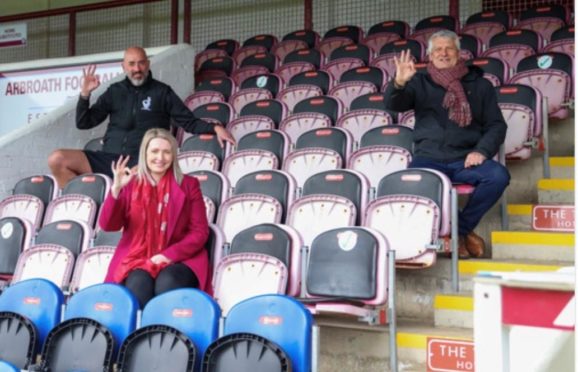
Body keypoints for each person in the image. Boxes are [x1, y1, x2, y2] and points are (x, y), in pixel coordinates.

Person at [385, 30, 510, 259]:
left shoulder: (480, 85)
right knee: (409, 185)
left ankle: (457, 232)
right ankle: (457, 236)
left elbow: (496, 125)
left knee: (498, 176)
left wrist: (481, 151)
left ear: (458, 52)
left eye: (449, 48)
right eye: (438, 49)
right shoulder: (419, 81)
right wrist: (400, 82)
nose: (444, 53)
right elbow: (394, 105)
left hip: (465, 158)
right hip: (428, 157)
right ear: (431, 56)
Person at [48, 46, 234, 189]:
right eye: (131, 64)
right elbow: (84, 122)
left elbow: (188, 121)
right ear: (123, 67)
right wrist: (85, 94)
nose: (137, 68)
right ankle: (84, 204)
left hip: (141, 161)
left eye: (141, 63)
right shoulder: (114, 91)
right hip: (109, 159)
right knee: (57, 159)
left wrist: (214, 127)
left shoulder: (162, 92)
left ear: (148, 64)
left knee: (136, 177)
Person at [98, 128, 210, 308]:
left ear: (173, 155)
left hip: (179, 258)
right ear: (145, 153)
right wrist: (116, 189)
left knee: (167, 282)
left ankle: (166, 334)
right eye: (155, 151)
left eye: (167, 152)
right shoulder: (130, 183)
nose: (161, 157)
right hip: (137, 258)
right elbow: (108, 225)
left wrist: (168, 255)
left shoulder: (189, 185)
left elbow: (199, 232)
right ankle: (141, 335)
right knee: (138, 284)